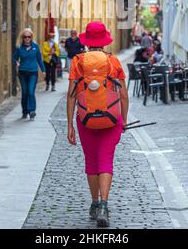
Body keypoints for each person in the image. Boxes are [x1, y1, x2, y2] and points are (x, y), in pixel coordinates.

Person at [67, 22, 129, 228]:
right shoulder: (113, 62)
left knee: (91, 161)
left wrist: (70, 125)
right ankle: (104, 205)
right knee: (106, 160)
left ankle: (94, 203)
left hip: (85, 119)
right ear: (104, 41)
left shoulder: (78, 62)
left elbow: (71, 96)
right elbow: (123, 96)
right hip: (111, 119)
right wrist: (125, 120)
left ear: (87, 41)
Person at [12, 28, 45, 120]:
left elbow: (39, 59)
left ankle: (32, 111)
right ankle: (24, 111)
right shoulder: (19, 47)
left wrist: (43, 70)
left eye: (29, 37)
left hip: (33, 73)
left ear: (31, 37)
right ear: (22, 37)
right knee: (25, 93)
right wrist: (16, 62)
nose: (27, 38)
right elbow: (14, 58)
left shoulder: (35, 46)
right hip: (22, 73)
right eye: (25, 37)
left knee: (31, 92)